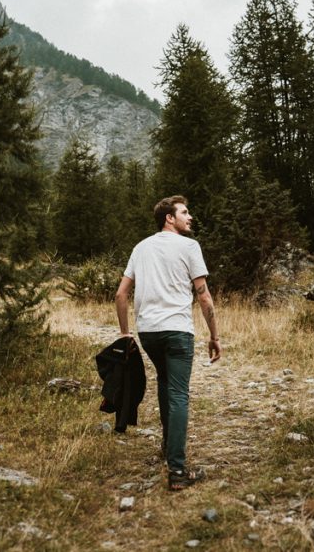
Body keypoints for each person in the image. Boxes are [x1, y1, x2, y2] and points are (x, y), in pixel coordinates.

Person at [115, 195, 221, 491]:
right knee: (178, 394)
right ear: (169, 218)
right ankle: (177, 470)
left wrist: (126, 333)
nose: (191, 217)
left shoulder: (141, 247)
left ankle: (166, 446)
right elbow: (203, 295)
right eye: (185, 213)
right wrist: (214, 336)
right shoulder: (189, 246)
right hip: (177, 330)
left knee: (165, 382)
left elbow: (121, 294)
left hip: (148, 332)